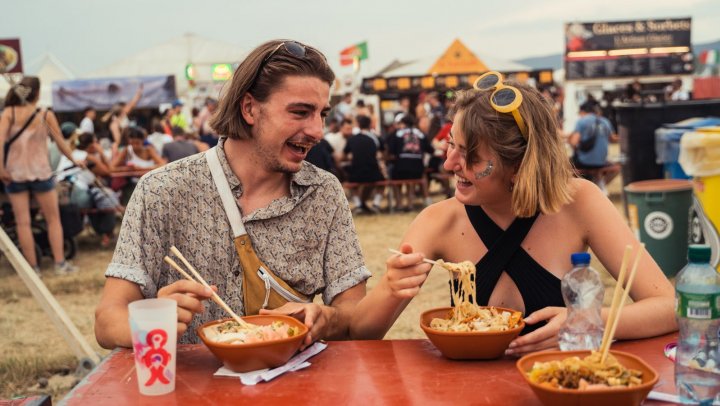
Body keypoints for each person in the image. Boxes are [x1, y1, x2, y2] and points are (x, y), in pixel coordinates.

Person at [351, 77, 677, 355]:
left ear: (519, 164)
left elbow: (669, 306)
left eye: (471, 156)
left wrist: (587, 319)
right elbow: (359, 336)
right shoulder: (439, 220)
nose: (450, 164)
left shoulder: (578, 201)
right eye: (451, 145)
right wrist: (391, 289)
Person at [95, 39, 371, 349]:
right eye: (301, 112)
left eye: (322, 114)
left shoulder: (323, 193)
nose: (318, 131)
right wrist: (152, 318)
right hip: (188, 389)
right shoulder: (162, 190)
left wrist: (326, 318)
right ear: (250, 108)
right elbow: (107, 322)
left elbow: (354, 313)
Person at [0, 76, 81, 275]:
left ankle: (33, 269)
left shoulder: (9, 112)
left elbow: (0, 141)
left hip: (15, 173)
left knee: (23, 222)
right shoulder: (44, 113)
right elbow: (60, 142)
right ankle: (60, 264)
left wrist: (1, 169)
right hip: (41, 173)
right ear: (36, 93)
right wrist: (74, 159)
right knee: (53, 220)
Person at [568, 101, 620, 192]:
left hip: (584, 162)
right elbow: (613, 139)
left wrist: (573, 145)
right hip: (602, 162)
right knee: (616, 167)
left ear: (582, 111)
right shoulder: (605, 121)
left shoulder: (581, 121)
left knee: (565, 166)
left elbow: (574, 142)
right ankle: (600, 184)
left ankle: (579, 189)